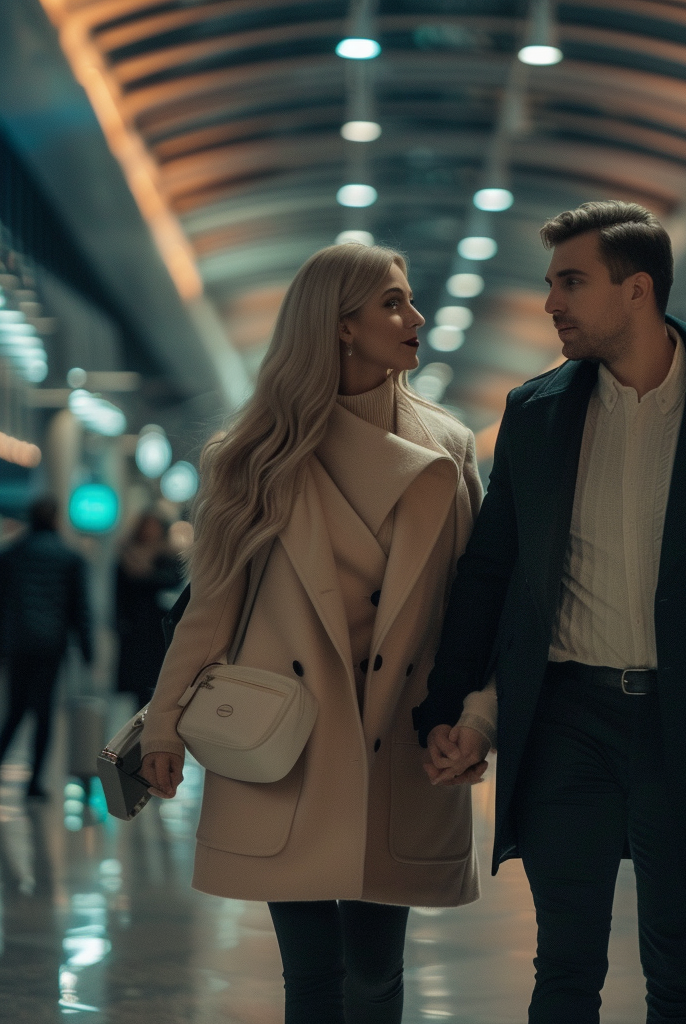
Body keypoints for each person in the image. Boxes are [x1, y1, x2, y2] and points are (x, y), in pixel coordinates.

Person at [414, 201, 686, 1023]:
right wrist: (449, 710)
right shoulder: (537, 412)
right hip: (564, 720)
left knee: (681, 969)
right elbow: (489, 574)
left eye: (572, 282)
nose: (552, 303)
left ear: (637, 289)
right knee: (566, 965)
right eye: (551, 283)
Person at [138, 243, 496, 1024]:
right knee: (311, 975)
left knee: (375, 973)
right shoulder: (255, 456)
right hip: (286, 743)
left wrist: (477, 716)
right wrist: (162, 723)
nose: (416, 317)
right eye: (394, 303)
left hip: (396, 737)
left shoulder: (449, 447)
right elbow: (211, 610)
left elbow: (477, 607)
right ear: (340, 327)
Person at [0, 495, 93, 799]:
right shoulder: (70, 558)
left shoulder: (12, 554)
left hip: (18, 643)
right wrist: (87, 650)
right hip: (51, 645)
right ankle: (34, 782)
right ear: (55, 519)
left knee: (14, 711)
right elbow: (79, 609)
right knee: (44, 714)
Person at [115, 512, 183, 709]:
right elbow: (119, 597)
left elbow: (174, 582)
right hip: (136, 631)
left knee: (160, 685)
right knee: (139, 690)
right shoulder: (126, 557)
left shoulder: (169, 556)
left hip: (160, 631)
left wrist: (146, 574)